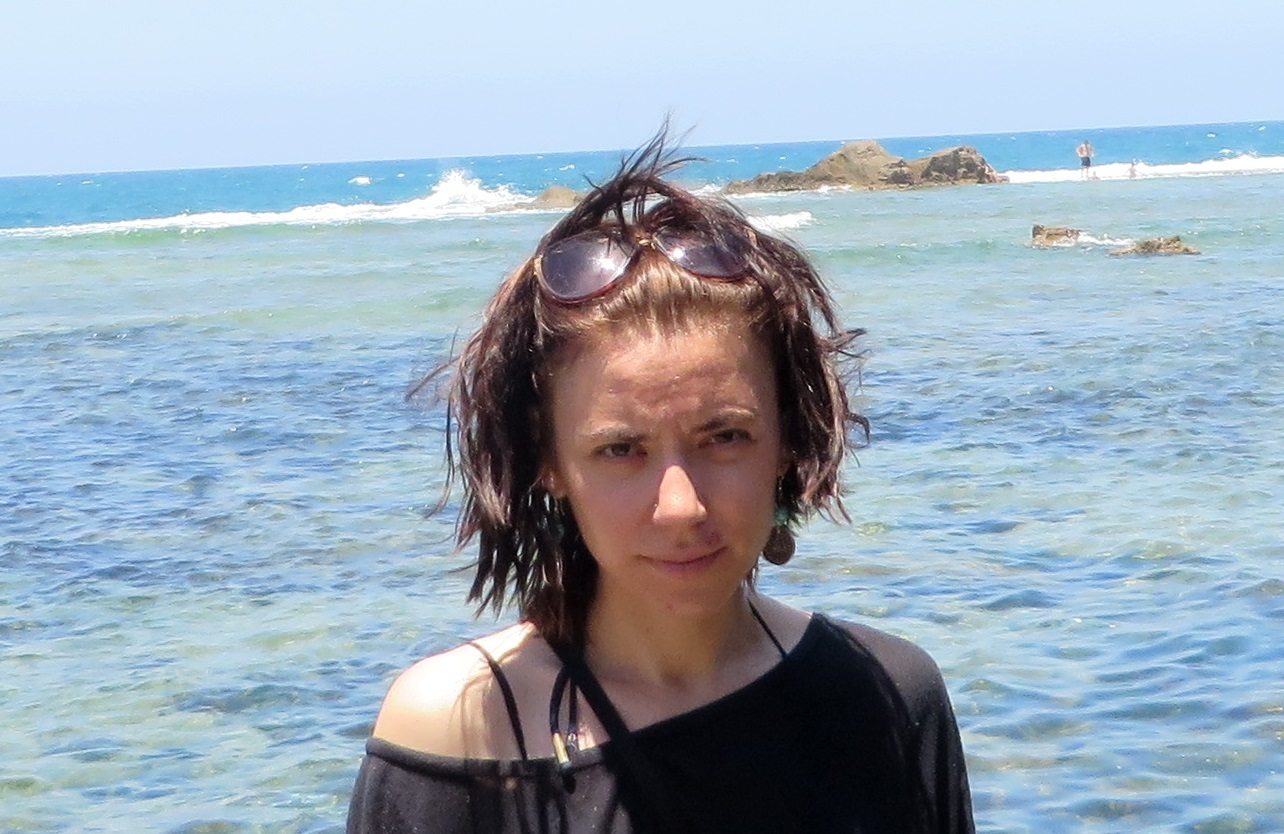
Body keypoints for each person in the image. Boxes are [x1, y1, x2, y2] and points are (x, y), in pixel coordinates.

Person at [345, 132, 975, 834]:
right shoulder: (463, 726)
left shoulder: (888, 695)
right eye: (620, 450)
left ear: (789, 439)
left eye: (725, 437)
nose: (680, 507)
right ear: (549, 462)